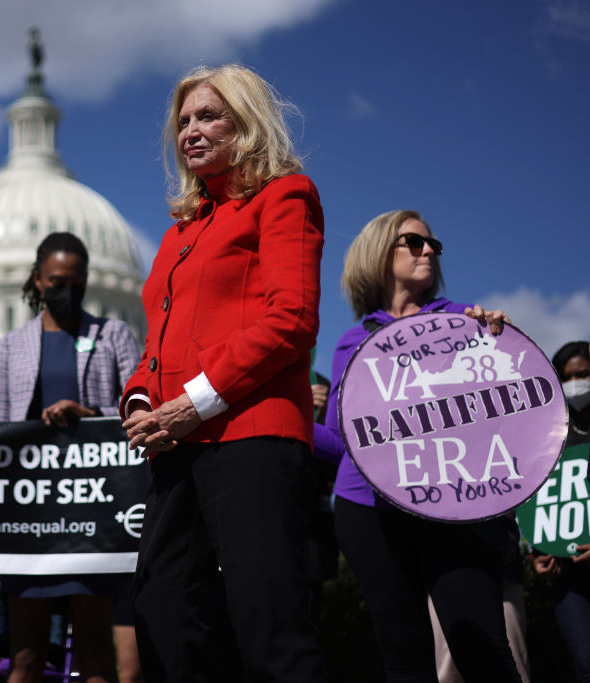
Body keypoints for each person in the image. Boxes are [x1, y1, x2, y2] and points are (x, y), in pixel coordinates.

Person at [121, 64, 326, 682]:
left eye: (208, 116)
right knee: (163, 609)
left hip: (252, 436)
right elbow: (155, 339)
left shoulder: (285, 195)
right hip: (176, 443)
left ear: (248, 124)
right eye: (182, 121)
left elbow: (290, 319)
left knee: (269, 624)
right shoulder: (177, 233)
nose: (190, 130)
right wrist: (137, 399)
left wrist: (193, 402)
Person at [313, 209, 522, 682]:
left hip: (454, 500)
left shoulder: (464, 321)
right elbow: (343, 444)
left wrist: (502, 344)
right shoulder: (351, 341)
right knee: (402, 653)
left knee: (481, 645)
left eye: (433, 245)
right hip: (366, 510)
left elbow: (508, 406)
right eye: (413, 242)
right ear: (378, 253)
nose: (428, 249)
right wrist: (282, 419)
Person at [0, 232, 141, 683]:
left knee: (95, 650)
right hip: (30, 514)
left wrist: (90, 416)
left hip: (91, 512)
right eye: (56, 281)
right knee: (26, 654)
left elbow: (136, 409)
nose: (65, 291)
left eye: (75, 282)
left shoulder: (113, 335)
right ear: (37, 279)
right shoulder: (11, 346)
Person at [531, 341, 590, 682]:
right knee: (585, 662)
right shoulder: (547, 433)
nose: (575, 384)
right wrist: (538, 553)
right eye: (566, 377)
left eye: (583, 374)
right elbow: (539, 498)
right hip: (568, 575)